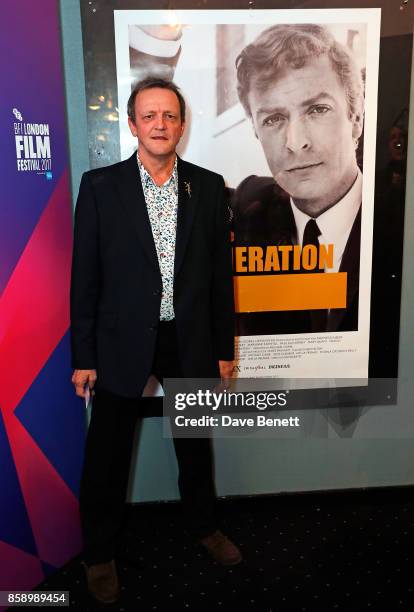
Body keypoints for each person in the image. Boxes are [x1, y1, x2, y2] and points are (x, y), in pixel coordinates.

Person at [70, 77, 241, 605]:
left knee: (194, 445)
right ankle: (99, 553)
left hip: (186, 338)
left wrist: (224, 348)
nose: (160, 125)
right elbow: (85, 279)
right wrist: (85, 356)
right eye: (149, 116)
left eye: (169, 115)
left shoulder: (208, 187)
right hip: (122, 341)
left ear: (182, 125)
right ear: (132, 124)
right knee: (107, 455)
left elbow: (218, 274)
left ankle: (204, 526)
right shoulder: (100, 188)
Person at [232, 24, 365, 335]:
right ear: (256, 131)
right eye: (274, 119)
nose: (295, 142)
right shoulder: (250, 203)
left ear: (355, 118)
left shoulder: (394, 217)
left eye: (318, 109)